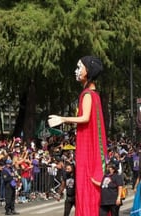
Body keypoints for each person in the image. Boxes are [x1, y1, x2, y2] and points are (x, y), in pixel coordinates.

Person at [48, 56, 108, 216]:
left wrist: (63, 118)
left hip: (87, 148)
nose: (76, 71)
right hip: (86, 143)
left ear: (88, 71)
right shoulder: (92, 94)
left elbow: (85, 118)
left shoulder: (88, 94)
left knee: (85, 183)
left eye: (79, 67)